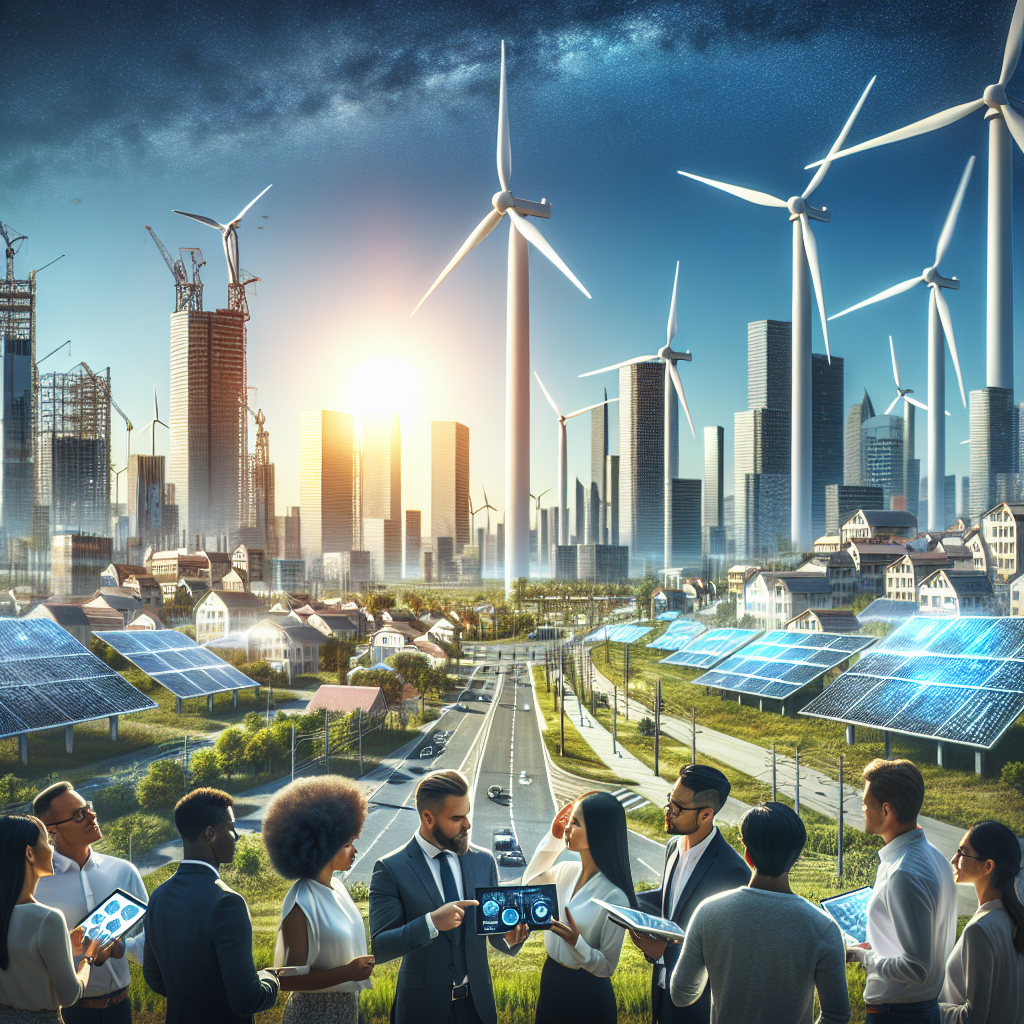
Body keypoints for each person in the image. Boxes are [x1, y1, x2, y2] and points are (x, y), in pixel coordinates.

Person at [670, 802, 850, 1024]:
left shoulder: (709, 912)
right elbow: (837, 1015)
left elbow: (680, 995)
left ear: (748, 856)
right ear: (795, 857)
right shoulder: (824, 927)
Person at [369, 769, 522, 1024]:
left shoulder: (483, 862)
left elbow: (495, 936)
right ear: (428, 818)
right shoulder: (390, 868)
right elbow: (382, 947)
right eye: (457, 818)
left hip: (477, 1009)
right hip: (421, 1012)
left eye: (467, 814)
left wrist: (511, 938)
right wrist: (431, 923)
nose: (467, 824)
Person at [142, 788, 279, 1024]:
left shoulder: (158, 897)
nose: (236, 836)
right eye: (231, 828)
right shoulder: (227, 903)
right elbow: (247, 999)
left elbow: (154, 978)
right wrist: (271, 979)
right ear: (210, 834)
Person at [630, 764, 749, 1024]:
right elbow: (671, 905)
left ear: (707, 814)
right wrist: (628, 905)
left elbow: (722, 954)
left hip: (698, 1005)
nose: (668, 811)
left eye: (678, 808)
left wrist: (663, 950)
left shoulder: (732, 871)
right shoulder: (673, 846)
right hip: (662, 993)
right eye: (669, 801)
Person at [847, 759, 957, 1024]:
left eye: (866, 802)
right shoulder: (934, 857)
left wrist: (865, 957)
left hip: (898, 1015)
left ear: (887, 810)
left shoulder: (903, 873)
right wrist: (878, 946)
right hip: (915, 1010)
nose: (862, 808)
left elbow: (917, 967)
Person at [262, 776, 375, 1024]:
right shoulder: (300, 902)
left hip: (346, 1013)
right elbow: (287, 978)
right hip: (312, 1016)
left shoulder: (337, 888)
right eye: (347, 844)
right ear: (322, 845)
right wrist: (347, 972)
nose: (355, 850)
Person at [33, 783, 148, 1024]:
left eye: (88, 808)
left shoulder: (124, 871)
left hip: (120, 1010)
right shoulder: (36, 884)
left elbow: (154, 937)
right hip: (67, 1014)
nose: (92, 816)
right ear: (52, 831)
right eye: (79, 815)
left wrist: (122, 949)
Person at [522, 791, 638, 1024]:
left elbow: (607, 966)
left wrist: (577, 943)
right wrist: (554, 838)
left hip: (587, 995)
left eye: (575, 823)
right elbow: (529, 886)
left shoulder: (615, 896)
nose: (567, 827)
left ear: (597, 831)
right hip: (551, 982)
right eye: (569, 821)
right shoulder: (565, 871)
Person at [0, 814, 113, 1023]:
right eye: (47, 840)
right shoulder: (47, 919)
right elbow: (70, 995)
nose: (52, 848)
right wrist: (88, 957)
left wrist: (66, 948)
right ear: (29, 853)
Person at [939, 820, 1024, 1023]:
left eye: (962, 853)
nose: (953, 859)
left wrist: (928, 1010)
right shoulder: (1013, 920)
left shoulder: (980, 930)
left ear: (988, 866)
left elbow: (973, 1017)